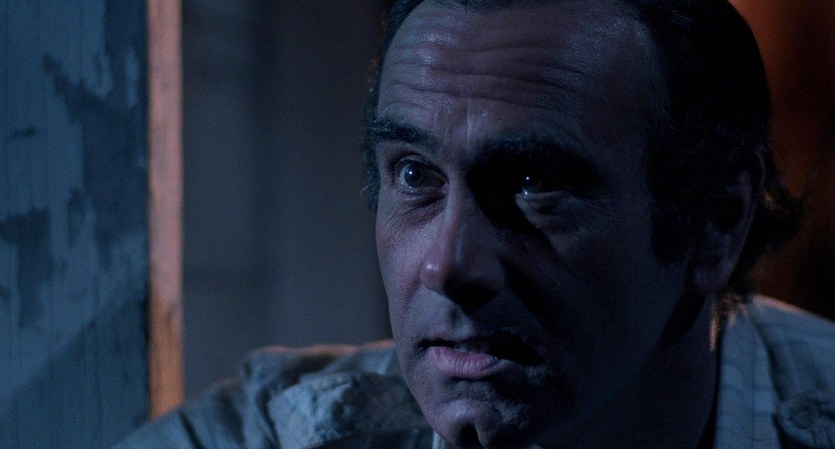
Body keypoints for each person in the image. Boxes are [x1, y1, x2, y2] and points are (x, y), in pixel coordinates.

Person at [116, 0, 835, 448]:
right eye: (414, 175)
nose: (448, 264)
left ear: (717, 221)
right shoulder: (273, 436)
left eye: (535, 182)